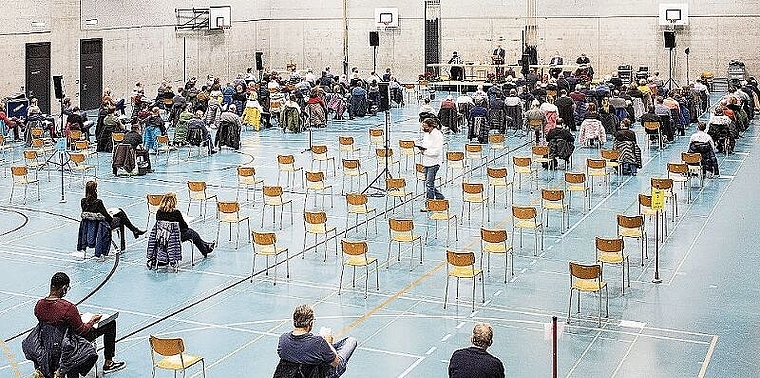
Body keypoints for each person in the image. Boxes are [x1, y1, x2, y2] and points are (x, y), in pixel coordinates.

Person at [35, 272, 127, 375]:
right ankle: (108, 362)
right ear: (64, 288)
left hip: (49, 342)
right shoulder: (68, 307)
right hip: (69, 343)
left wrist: (73, 318)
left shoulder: (39, 305)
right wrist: (92, 320)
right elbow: (82, 330)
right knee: (111, 324)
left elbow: (50, 319)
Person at [276, 304, 357, 378]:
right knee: (351, 341)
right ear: (310, 323)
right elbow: (335, 363)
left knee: (321, 350)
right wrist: (328, 343)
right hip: (316, 374)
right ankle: (328, 350)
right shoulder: (318, 342)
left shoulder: (283, 339)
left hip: (293, 373)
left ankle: (327, 351)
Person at [155, 192, 215, 257]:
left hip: (163, 236)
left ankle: (206, 245)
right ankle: (205, 250)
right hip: (175, 237)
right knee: (194, 235)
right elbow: (183, 226)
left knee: (192, 233)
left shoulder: (159, 212)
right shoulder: (176, 213)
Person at [419, 117, 445, 209]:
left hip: (434, 163)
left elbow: (436, 152)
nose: (423, 128)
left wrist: (425, 152)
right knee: (428, 183)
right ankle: (440, 197)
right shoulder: (426, 134)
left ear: (431, 126)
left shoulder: (437, 135)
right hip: (426, 161)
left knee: (429, 184)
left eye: (425, 127)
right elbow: (426, 145)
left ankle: (429, 205)